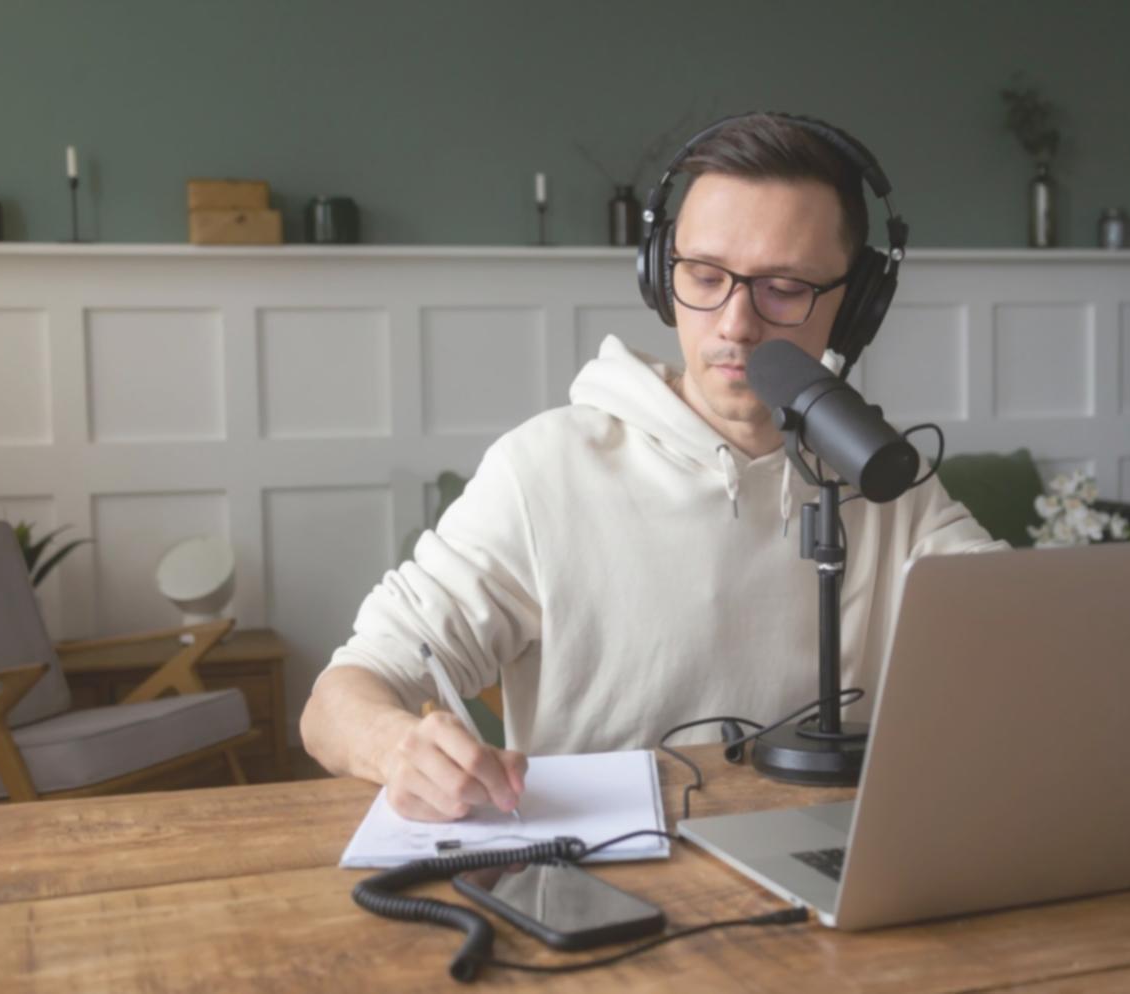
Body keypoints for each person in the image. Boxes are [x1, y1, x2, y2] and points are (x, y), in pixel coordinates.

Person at [299, 113, 1007, 822]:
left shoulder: (886, 482)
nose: (735, 324)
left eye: (784, 288)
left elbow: (1028, 640)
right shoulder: (542, 468)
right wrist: (398, 749)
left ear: (856, 306)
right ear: (659, 276)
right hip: (602, 889)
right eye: (704, 276)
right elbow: (344, 695)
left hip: (835, 878)